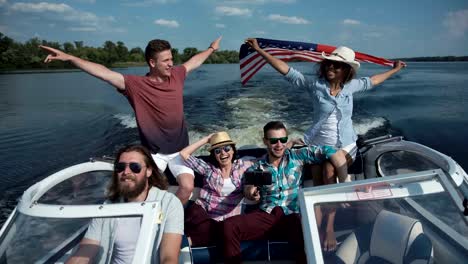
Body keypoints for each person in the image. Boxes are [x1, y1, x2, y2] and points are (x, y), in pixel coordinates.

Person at [245, 38, 406, 250]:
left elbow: (373, 80)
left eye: (337, 65)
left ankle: (328, 227)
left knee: (330, 169)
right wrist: (260, 51)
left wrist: (394, 70)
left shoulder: (352, 86)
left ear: (346, 70)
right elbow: (288, 71)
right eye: (329, 63)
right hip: (316, 146)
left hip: (345, 145)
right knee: (319, 184)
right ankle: (316, 228)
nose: (331, 66)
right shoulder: (315, 86)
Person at [40, 36, 222, 205]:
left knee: (187, 187)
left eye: (171, 59)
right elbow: (104, 73)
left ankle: (168, 217)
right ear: (152, 62)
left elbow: (194, 61)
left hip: (181, 151)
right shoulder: (136, 85)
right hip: (153, 153)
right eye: (166, 60)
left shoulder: (177, 75)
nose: (171, 64)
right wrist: (70, 57)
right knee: (138, 192)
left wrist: (211, 48)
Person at [222, 121, 343, 264]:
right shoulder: (257, 167)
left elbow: (330, 151)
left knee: (304, 231)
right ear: (265, 141)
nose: (279, 145)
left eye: (283, 140)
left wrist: (345, 182)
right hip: (267, 216)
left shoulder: (298, 156)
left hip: (293, 215)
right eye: (273, 141)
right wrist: (252, 193)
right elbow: (248, 188)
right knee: (229, 226)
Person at [66, 145, 183, 264]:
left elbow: (169, 258)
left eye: (135, 167)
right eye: (120, 167)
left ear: (148, 171)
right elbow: (86, 249)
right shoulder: (108, 206)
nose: (126, 172)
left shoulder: (169, 204)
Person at [179, 132, 254, 247]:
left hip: (225, 218)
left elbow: (269, 159)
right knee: (200, 221)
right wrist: (207, 139)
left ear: (233, 151)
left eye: (227, 149)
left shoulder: (243, 166)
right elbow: (184, 154)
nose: (223, 153)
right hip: (202, 211)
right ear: (214, 155)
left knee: (216, 230)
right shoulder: (208, 169)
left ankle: (183, 242)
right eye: (217, 151)